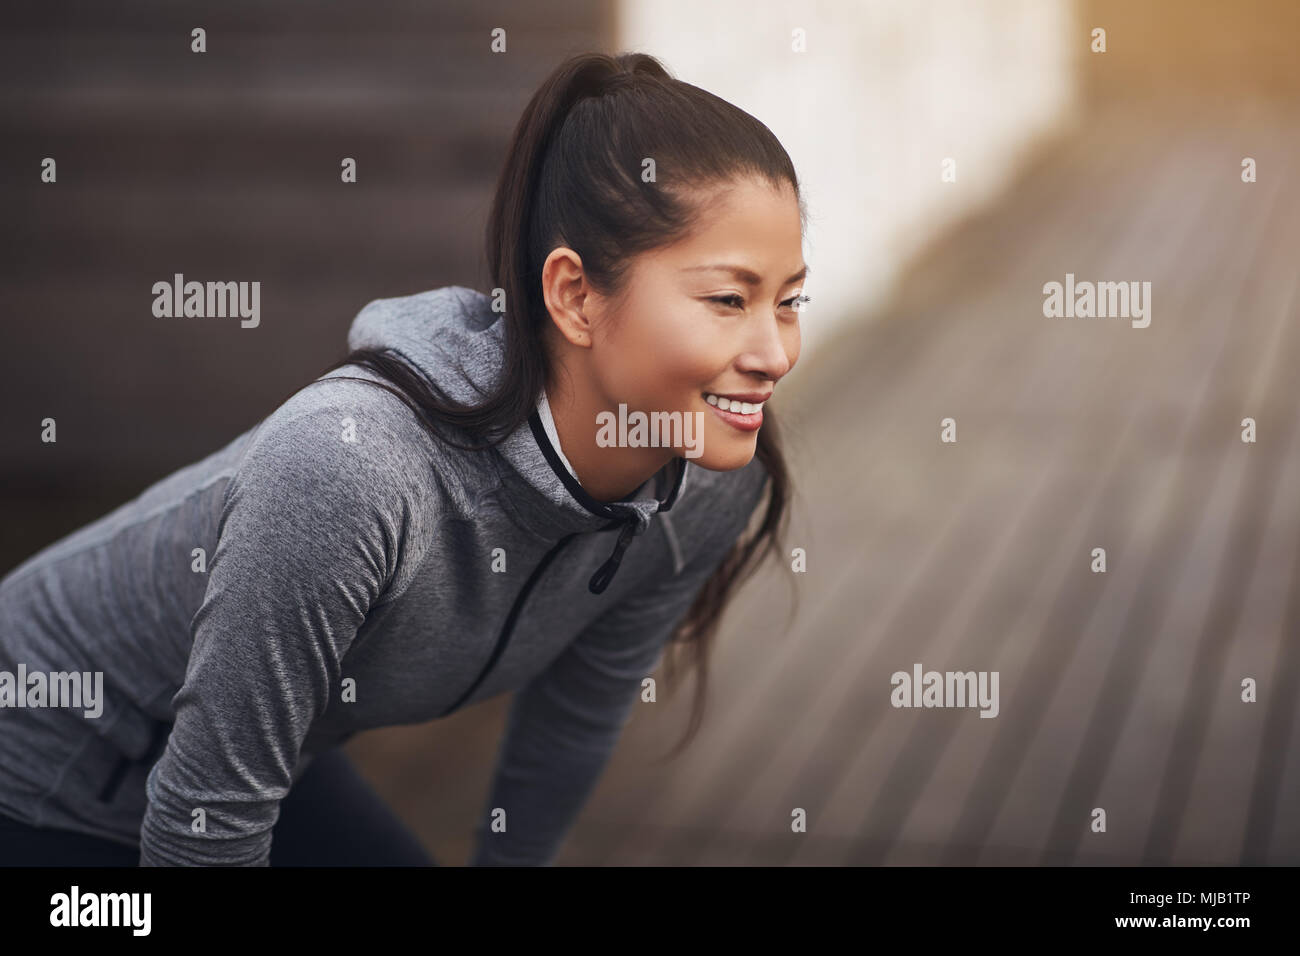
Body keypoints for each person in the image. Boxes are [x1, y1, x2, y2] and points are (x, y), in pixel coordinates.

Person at [0, 50, 805, 867]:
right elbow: (203, 823)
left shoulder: (706, 484)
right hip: (41, 759)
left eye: (790, 300)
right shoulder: (352, 469)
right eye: (729, 300)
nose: (775, 352)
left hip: (263, 761)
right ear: (574, 295)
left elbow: (577, 716)